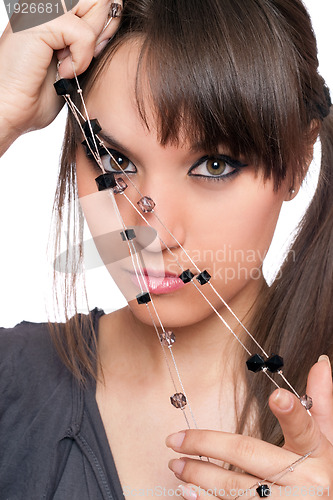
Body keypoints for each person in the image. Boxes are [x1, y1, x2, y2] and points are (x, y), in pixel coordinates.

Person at [0, 0, 333, 498]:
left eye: (215, 166)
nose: (154, 232)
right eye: (114, 161)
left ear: (300, 161)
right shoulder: (12, 381)